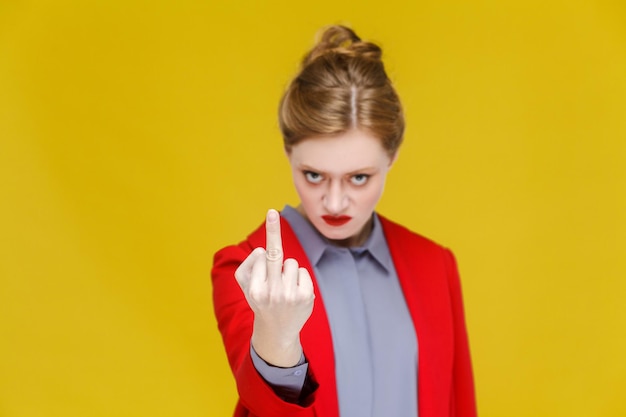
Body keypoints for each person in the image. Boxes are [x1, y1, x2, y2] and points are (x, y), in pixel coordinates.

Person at [211, 25, 477, 417]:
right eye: (314, 175)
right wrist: (277, 335)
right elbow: (267, 409)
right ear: (288, 153)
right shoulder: (246, 269)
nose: (334, 202)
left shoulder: (435, 265)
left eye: (359, 177)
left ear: (393, 156)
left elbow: (458, 406)